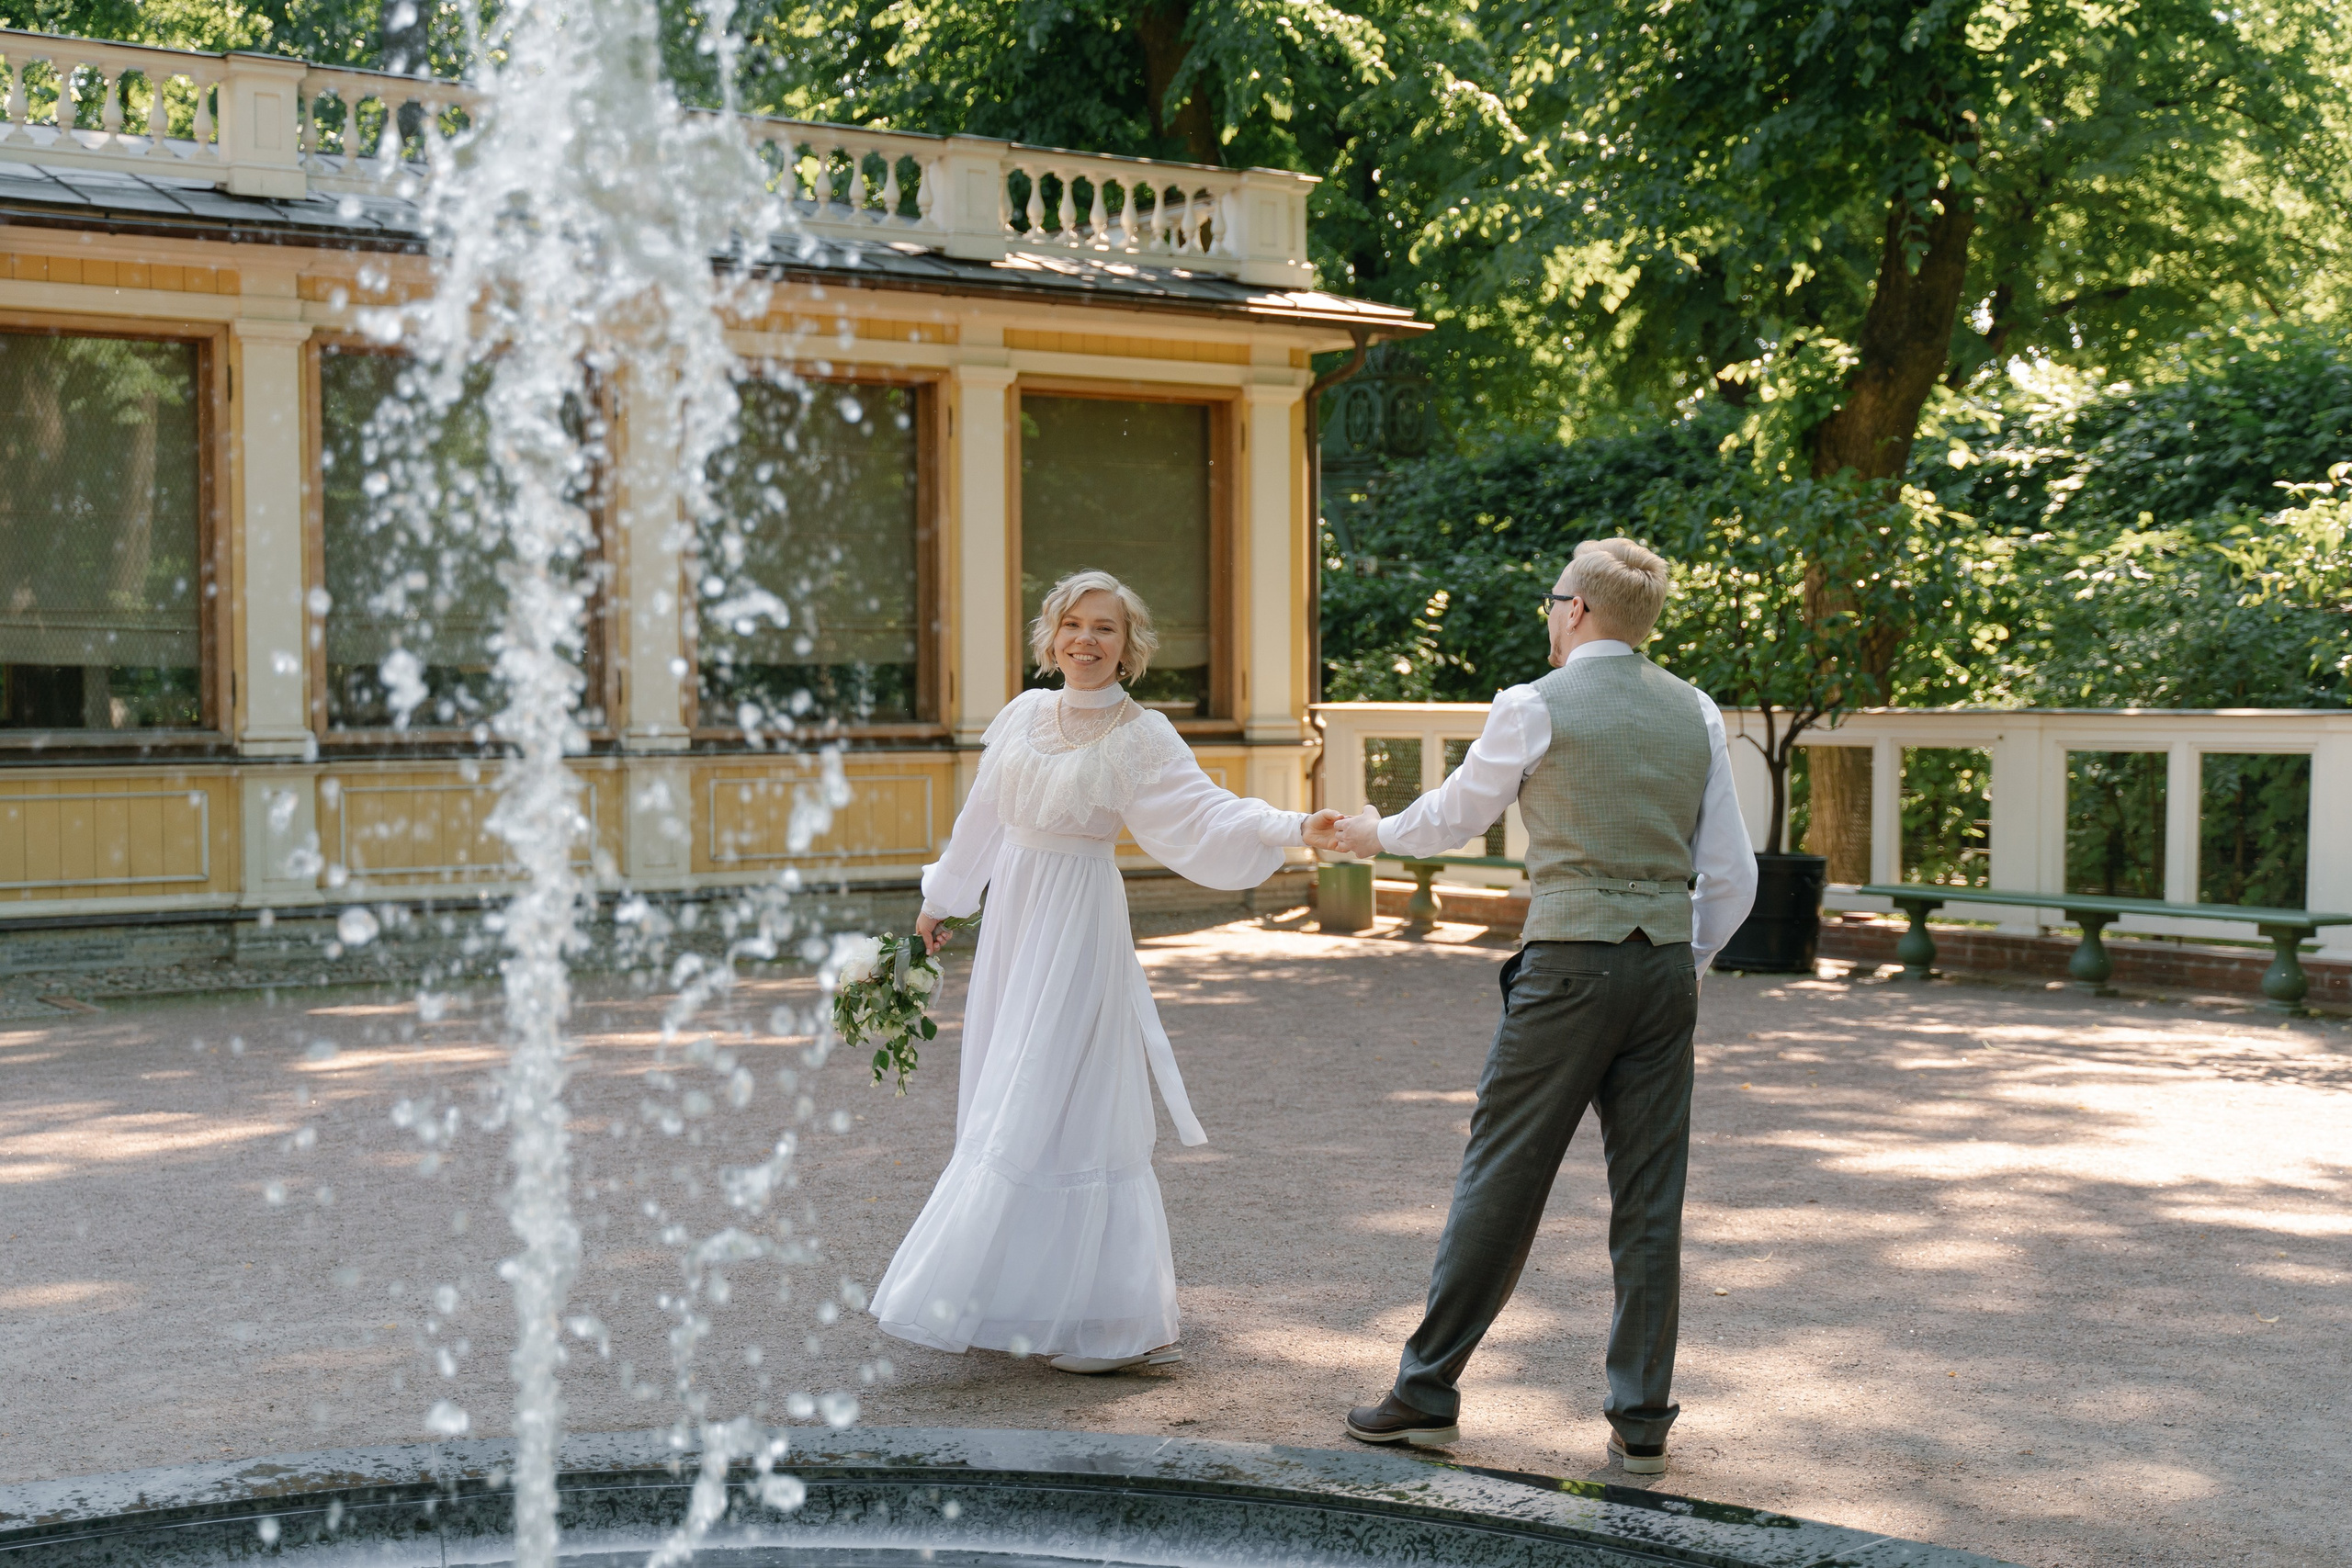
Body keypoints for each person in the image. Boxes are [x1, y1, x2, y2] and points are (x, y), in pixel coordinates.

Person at [1305, 536, 1757, 1474]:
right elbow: (1731, 876)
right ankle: (1640, 1419)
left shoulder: (1531, 706)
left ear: (1576, 611)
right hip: (1664, 969)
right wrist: (1685, 956)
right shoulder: (1696, 711)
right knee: (1648, 1196)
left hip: (1566, 968)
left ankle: (1425, 1393)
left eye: (1553, 604)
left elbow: (1452, 816)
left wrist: (1367, 834)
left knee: (1502, 1176)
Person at [869, 569, 1343, 1375]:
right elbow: (981, 820)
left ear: (1129, 648)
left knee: (1070, 1093)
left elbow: (1208, 812)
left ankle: (1105, 1317)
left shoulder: (1142, 733)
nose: (1087, 640)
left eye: (1106, 629)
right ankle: (1010, 1299)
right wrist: (941, 901)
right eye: (1074, 624)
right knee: (1004, 1084)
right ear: (1052, 633)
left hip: (1079, 921)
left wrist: (1297, 824)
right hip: (1015, 923)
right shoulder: (1020, 715)